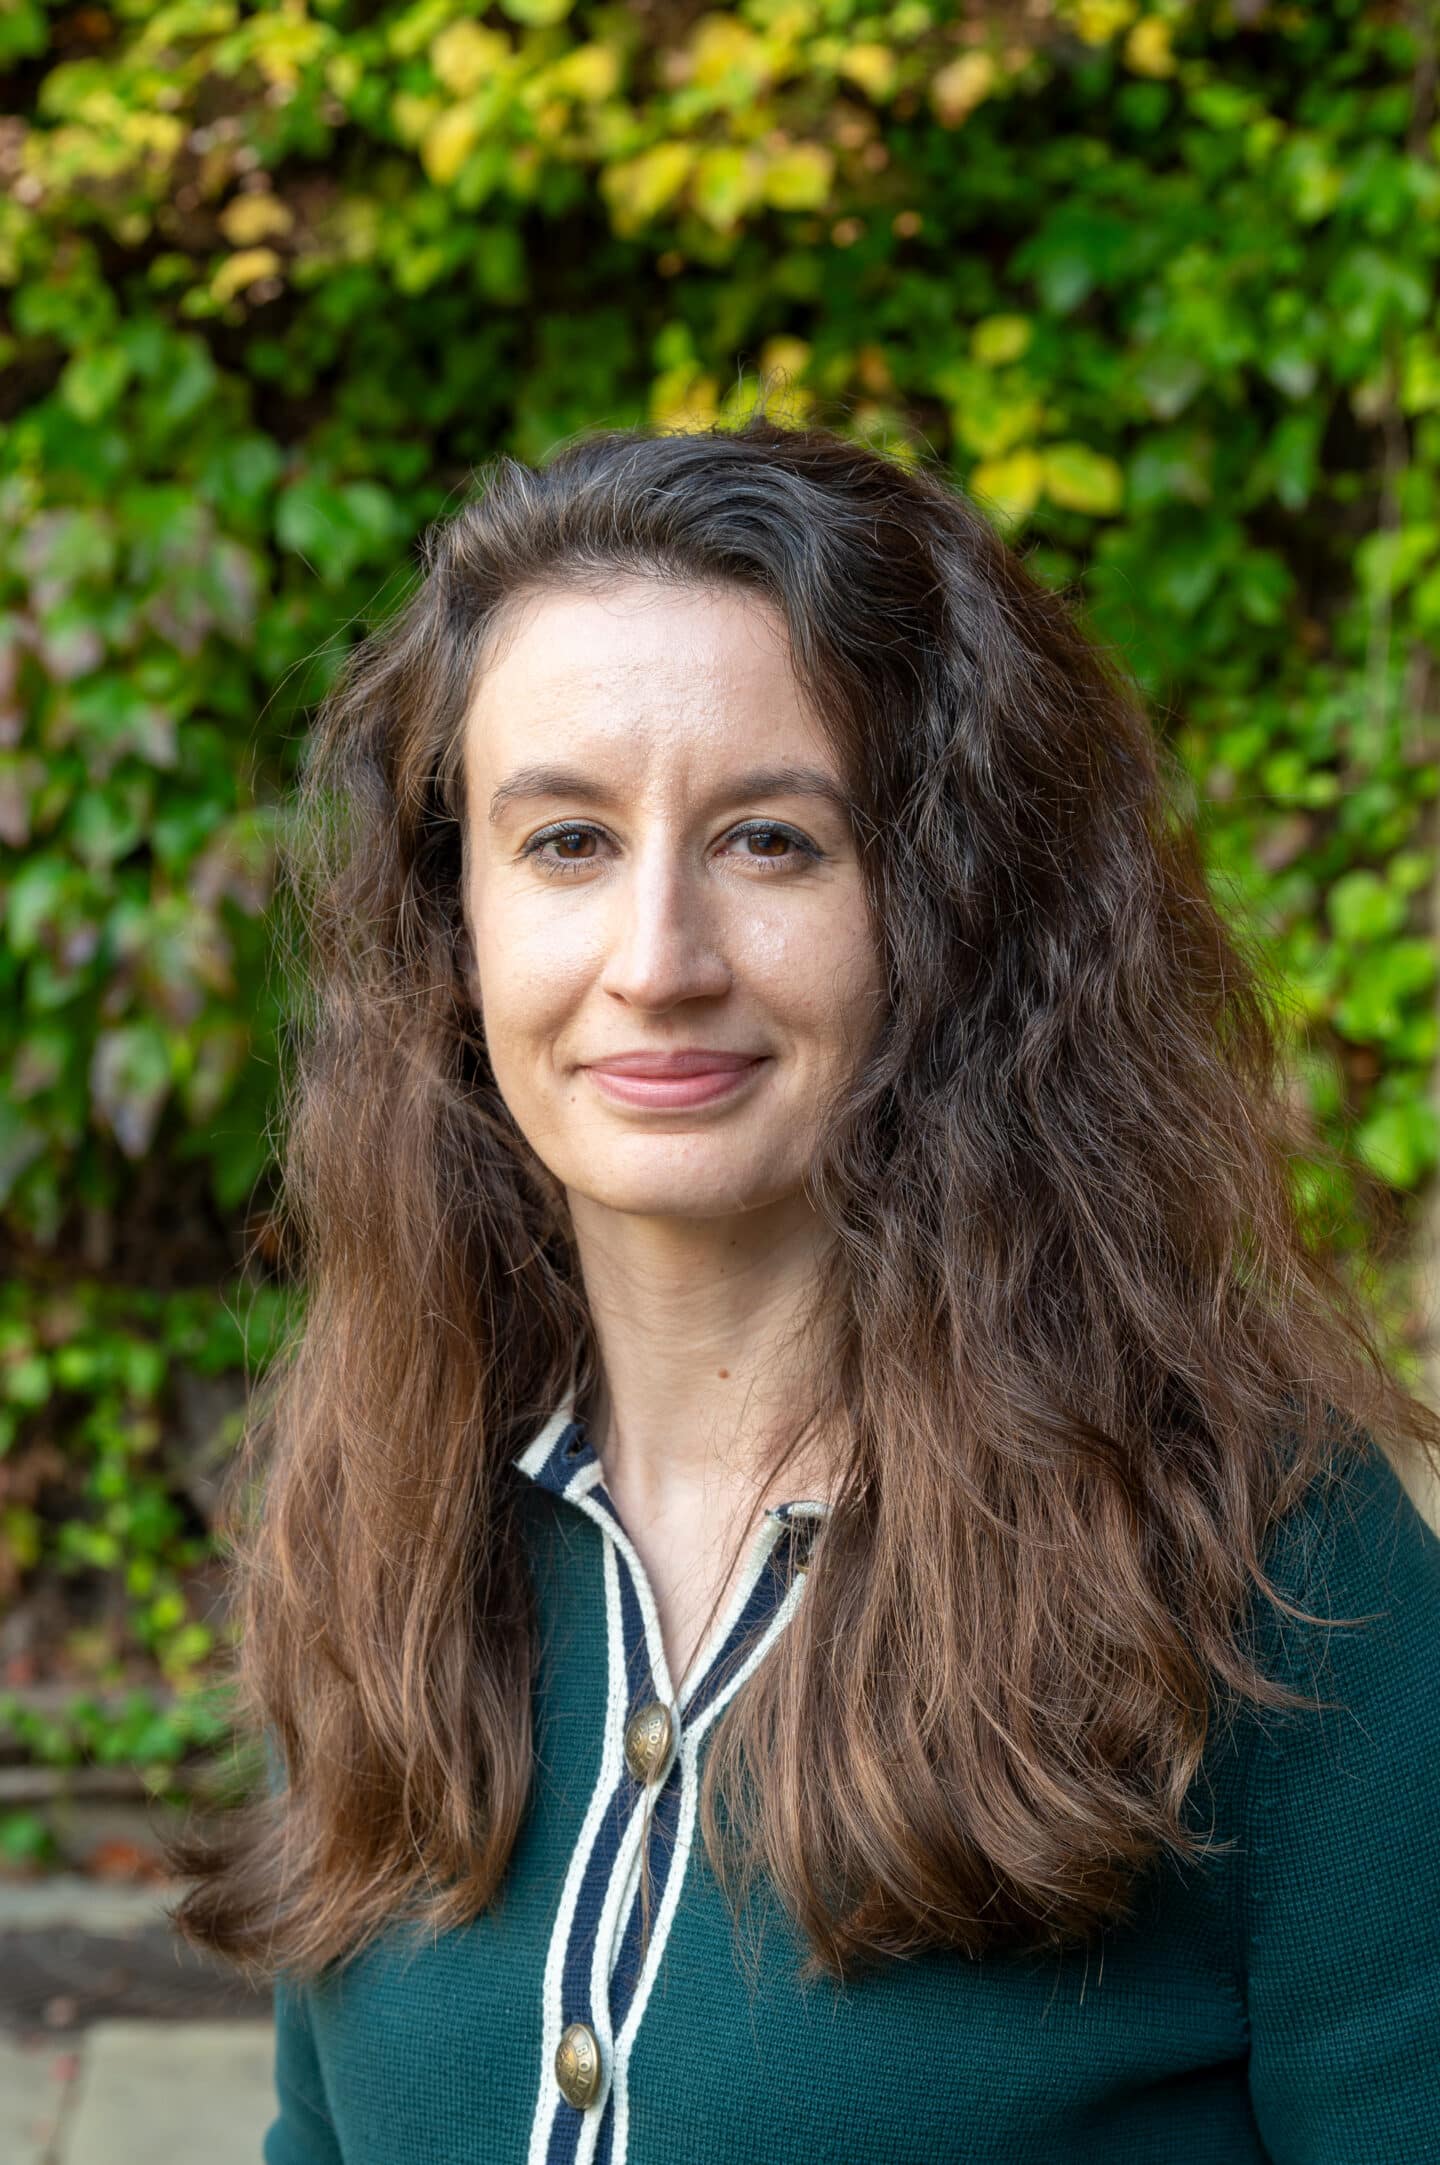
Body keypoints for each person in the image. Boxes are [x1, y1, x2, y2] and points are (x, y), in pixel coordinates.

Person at [168, 415, 1440, 2164]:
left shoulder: (1279, 1560)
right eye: (566, 844)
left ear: (950, 904)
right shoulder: (383, 1500)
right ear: (448, 919)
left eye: (772, 841)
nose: (657, 961)